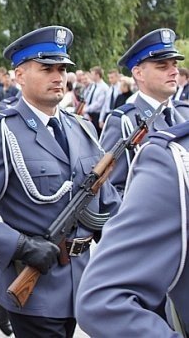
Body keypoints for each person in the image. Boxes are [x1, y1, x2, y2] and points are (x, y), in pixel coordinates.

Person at [0, 26, 121, 337]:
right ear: (19, 76)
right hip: (37, 289)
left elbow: (109, 204)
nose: (58, 76)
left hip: (84, 283)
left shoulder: (81, 128)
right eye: (46, 68)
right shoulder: (1, 131)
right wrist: (19, 246)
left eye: (62, 68)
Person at [76, 121, 189, 336]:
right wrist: (18, 247)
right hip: (48, 265)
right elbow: (113, 183)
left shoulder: (177, 115)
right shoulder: (175, 158)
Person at [100, 28, 189, 195]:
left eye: (175, 65)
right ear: (138, 73)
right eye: (163, 66)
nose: (174, 71)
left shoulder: (184, 113)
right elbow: (110, 191)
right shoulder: (125, 121)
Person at [82, 66, 108, 134]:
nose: (91, 76)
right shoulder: (93, 85)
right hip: (89, 113)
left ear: (97, 75)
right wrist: (85, 111)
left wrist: (86, 109)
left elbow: (98, 104)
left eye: (92, 74)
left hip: (97, 115)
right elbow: (88, 99)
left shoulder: (104, 87)